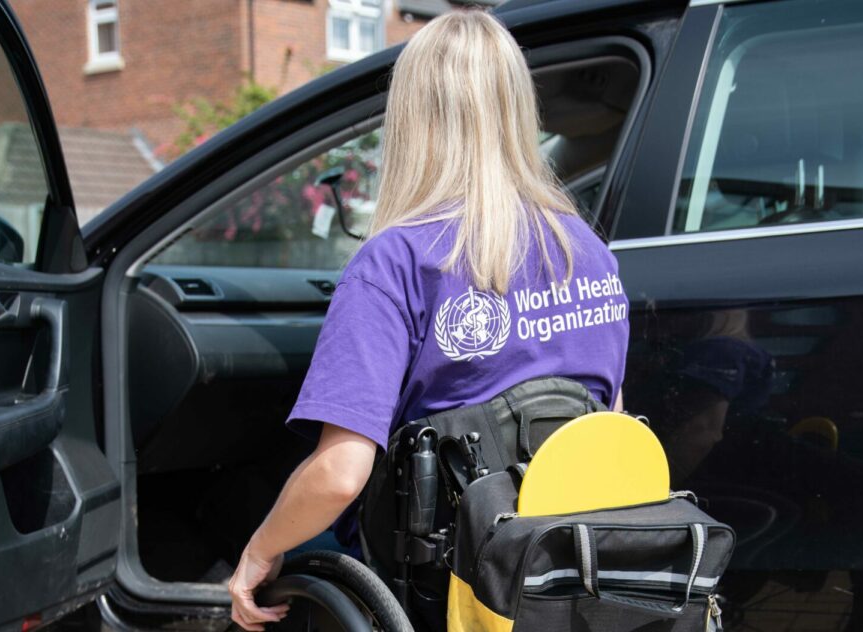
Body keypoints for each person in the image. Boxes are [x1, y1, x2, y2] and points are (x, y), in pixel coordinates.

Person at [227, 9, 630, 630]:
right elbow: (610, 426)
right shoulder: (592, 254)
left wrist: (258, 550)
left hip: (446, 585)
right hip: (568, 574)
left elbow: (339, 475)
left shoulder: (396, 261)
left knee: (274, 575)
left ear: (413, 119)